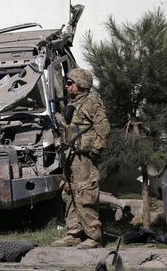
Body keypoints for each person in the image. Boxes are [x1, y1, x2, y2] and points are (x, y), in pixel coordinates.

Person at [54, 68, 110, 249]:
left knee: (85, 194)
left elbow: (103, 128)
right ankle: (74, 233)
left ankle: (94, 236)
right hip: (70, 156)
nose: (67, 86)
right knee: (69, 193)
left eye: (70, 83)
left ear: (81, 84)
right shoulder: (71, 103)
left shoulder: (92, 101)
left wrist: (95, 150)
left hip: (83, 158)